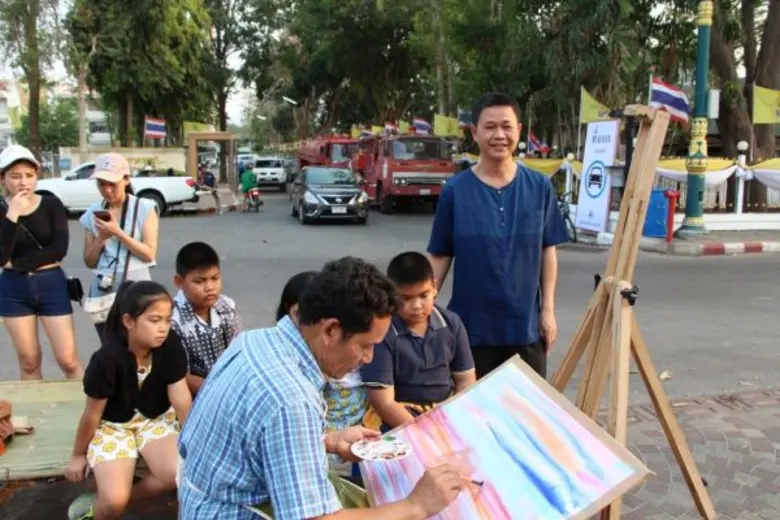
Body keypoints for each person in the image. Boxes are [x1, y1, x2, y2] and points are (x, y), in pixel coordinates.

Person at [178, 257, 471, 519]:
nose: (367, 359)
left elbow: (250, 441)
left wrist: (328, 440)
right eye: (365, 346)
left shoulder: (256, 340)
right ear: (331, 330)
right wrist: (416, 505)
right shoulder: (292, 400)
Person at [427, 93, 569, 380]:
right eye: (490, 127)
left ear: (519, 130)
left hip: (526, 328)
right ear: (475, 133)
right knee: (473, 417)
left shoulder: (539, 187)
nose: (499, 135)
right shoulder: (456, 191)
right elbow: (440, 255)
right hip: (470, 331)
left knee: (526, 415)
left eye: (507, 126)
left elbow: (547, 251)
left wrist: (548, 311)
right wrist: (421, 307)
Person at [64, 281, 192, 520]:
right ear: (128, 321)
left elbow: (181, 397)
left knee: (176, 475)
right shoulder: (106, 360)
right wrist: (78, 455)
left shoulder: (170, 345)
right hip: (114, 427)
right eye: (154, 320)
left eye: (167, 319)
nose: (163, 328)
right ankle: (103, 509)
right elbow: (92, 414)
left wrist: (195, 437)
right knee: (114, 500)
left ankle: (109, 503)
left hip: (155, 420)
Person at [361, 252, 476, 432]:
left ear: (435, 288)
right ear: (391, 295)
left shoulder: (452, 323)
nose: (416, 306)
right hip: (397, 415)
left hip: (446, 411)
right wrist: (424, 433)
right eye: (405, 298)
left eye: (424, 295)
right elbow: (383, 402)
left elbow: (465, 380)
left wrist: (453, 420)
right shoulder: (382, 331)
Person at [0, 145, 83, 380]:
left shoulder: (50, 204)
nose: (23, 182)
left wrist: (16, 265)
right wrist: (12, 215)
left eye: (29, 175)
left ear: (37, 175)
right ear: (3, 178)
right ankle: (35, 414)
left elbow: (58, 250)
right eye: (15, 177)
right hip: (13, 290)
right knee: (28, 361)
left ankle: (85, 412)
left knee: (68, 359)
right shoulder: (3, 210)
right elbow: (1, 256)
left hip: (51, 284)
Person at [81, 153, 160, 338]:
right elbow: (89, 261)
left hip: (137, 287)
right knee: (110, 349)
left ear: (125, 179)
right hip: (104, 290)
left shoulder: (145, 208)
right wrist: (100, 238)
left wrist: (118, 233)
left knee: (139, 345)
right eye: (101, 184)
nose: (107, 190)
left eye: (112, 184)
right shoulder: (92, 213)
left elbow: (149, 254)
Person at [171, 242, 242, 396]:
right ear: (179, 282)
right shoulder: (173, 320)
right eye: (199, 281)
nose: (210, 287)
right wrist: (217, 391)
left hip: (228, 386)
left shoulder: (226, 307)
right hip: (194, 395)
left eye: (215, 278)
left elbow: (237, 352)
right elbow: (180, 375)